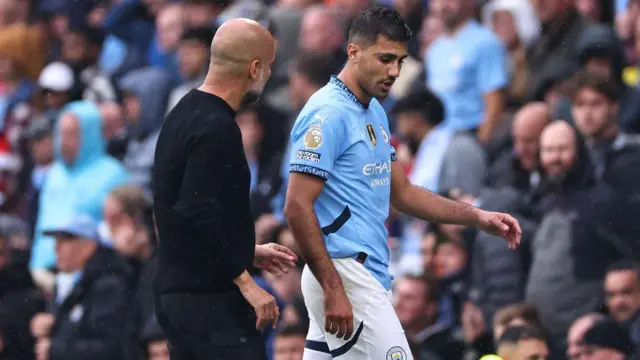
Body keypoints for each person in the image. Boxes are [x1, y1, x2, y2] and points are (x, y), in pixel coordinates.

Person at [284, 7, 522, 360]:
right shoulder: (328, 113)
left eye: (400, 61)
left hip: (363, 273)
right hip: (346, 273)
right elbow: (296, 205)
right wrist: (334, 286)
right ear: (353, 52)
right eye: (385, 59)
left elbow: (404, 193)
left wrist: (477, 216)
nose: (394, 72)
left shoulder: (375, 111)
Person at [152, 18, 298, 360]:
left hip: (178, 294)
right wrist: (247, 283)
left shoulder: (181, 114)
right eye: (270, 66)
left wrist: (246, 249)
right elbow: (196, 212)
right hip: (208, 303)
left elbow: (177, 213)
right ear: (255, 68)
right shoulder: (219, 128)